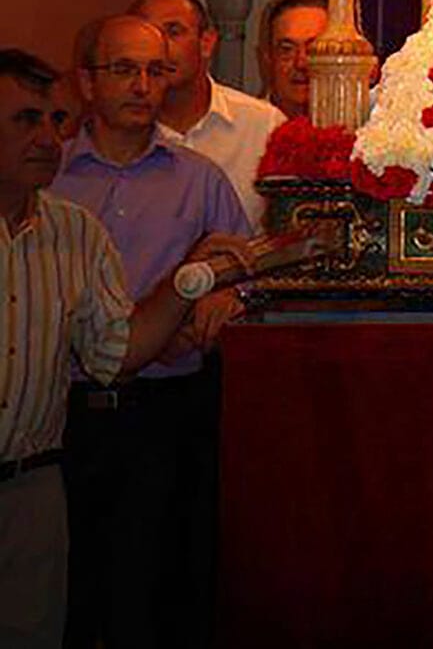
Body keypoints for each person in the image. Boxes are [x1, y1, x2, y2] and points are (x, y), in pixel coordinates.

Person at [0, 48, 253, 649]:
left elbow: (117, 351)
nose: (47, 138)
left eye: (54, 121)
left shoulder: (74, 231)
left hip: (34, 489)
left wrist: (189, 279)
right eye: (24, 121)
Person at [131, 0, 282, 227]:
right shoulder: (123, 131)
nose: (161, 47)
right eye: (148, 35)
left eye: (173, 32)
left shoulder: (263, 126)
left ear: (207, 43)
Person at [258, 0, 328, 118]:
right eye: (287, 50)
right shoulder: (246, 129)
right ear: (267, 58)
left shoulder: (364, 132)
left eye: (313, 50)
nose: (300, 63)